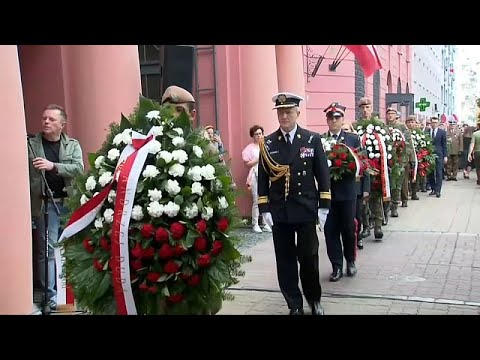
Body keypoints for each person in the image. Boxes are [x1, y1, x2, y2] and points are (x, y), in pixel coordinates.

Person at [257, 92, 331, 315]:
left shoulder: (311, 139)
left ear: (298, 113)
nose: (284, 116)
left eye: (288, 111)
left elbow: (322, 174)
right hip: (280, 211)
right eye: (280, 112)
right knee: (285, 260)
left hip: (306, 208)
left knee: (309, 257)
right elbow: (262, 178)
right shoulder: (268, 143)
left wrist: (324, 206)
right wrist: (264, 208)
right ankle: (294, 304)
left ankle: (314, 300)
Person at [28, 104, 84, 310]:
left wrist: (54, 167)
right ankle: (49, 299)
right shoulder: (32, 145)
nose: (46, 122)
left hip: (68, 204)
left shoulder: (72, 145)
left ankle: (74, 298)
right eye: (44, 118)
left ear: (63, 124)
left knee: (73, 250)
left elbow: (79, 169)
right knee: (47, 252)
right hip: (45, 205)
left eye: (51, 119)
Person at [321, 103, 361, 281]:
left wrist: (364, 190)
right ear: (327, 120)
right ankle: (336, 266)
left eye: (337, 117)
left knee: (348, 229)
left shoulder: (352, 139)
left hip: (347, 192)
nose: (334, 121)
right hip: (327, 194)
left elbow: (362, 165)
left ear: (343, 119)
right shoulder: (320, 140)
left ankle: (350, 261)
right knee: (330, 231)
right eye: (331, 117)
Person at [242, 125, 272, 233]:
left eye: (260, 133)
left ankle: (266, 222)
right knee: (256, 199)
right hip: (255, 174)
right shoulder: (249, 148)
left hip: (267, 174)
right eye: (256, 134)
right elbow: (247, 163)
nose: (259, 136)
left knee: (267, 198)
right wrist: (258, 159)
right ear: (253, 136)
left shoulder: (267, 145)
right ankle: (255, 223)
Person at [428, 116, 448, 197]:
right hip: (429, 155)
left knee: (439, 172)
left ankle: (438, 190)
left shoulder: (442, 132)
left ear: (438, 123)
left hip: (439, 154)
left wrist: (445, 156)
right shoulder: (427, 131)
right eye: (432, 122)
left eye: (435, 122)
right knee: (430, 173)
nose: (434, 124)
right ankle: (433, 188)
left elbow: (444, 145)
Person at [467, 120, 480, 185]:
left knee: (478, 168)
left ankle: (479, 179)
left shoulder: (475, 134)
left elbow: (472, 144)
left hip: (477, 152)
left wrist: (470, 153)